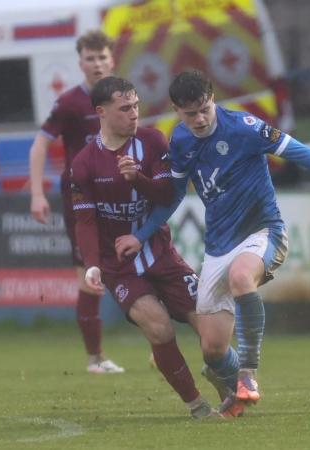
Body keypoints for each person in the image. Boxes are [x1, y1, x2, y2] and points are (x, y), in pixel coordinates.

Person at [114, 70, 310, 413]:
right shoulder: (180, 141)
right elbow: (173, 198)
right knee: (213, 349)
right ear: (177, 110)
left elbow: (301, 153)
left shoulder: (245, 127)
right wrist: (140, 235)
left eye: (205, 108)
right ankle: (236, 394)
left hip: (263, 231)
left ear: (212, 98)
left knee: (240, 277)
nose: (200, 119)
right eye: (191, 113)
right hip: (218, 246)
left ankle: (248, 374)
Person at [70, 76, 221, 419]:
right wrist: (92, 264)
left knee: (211, 331)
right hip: (118, 265)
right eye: (125, 108)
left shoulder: (152, 141)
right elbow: (86, 221)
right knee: (159, 326)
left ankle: (231, 386)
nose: (134, 114)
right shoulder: (83, 163)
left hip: (161, 253)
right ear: (101, 112)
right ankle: (196, 405)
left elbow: (168, 196)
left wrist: (137, 178)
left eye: (136, 106)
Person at [28, 30, 124, 374]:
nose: (97, 64)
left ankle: (160, 345)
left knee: (147, 267)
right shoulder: (69, 103)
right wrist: (38, 194)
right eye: (90, 58)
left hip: (124, 196)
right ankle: (95, 358)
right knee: (89, 275)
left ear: (111, 59)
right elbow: (40, 145)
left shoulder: (125, 99)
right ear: (80, 62)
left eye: (102, 57)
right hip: (82, 199)